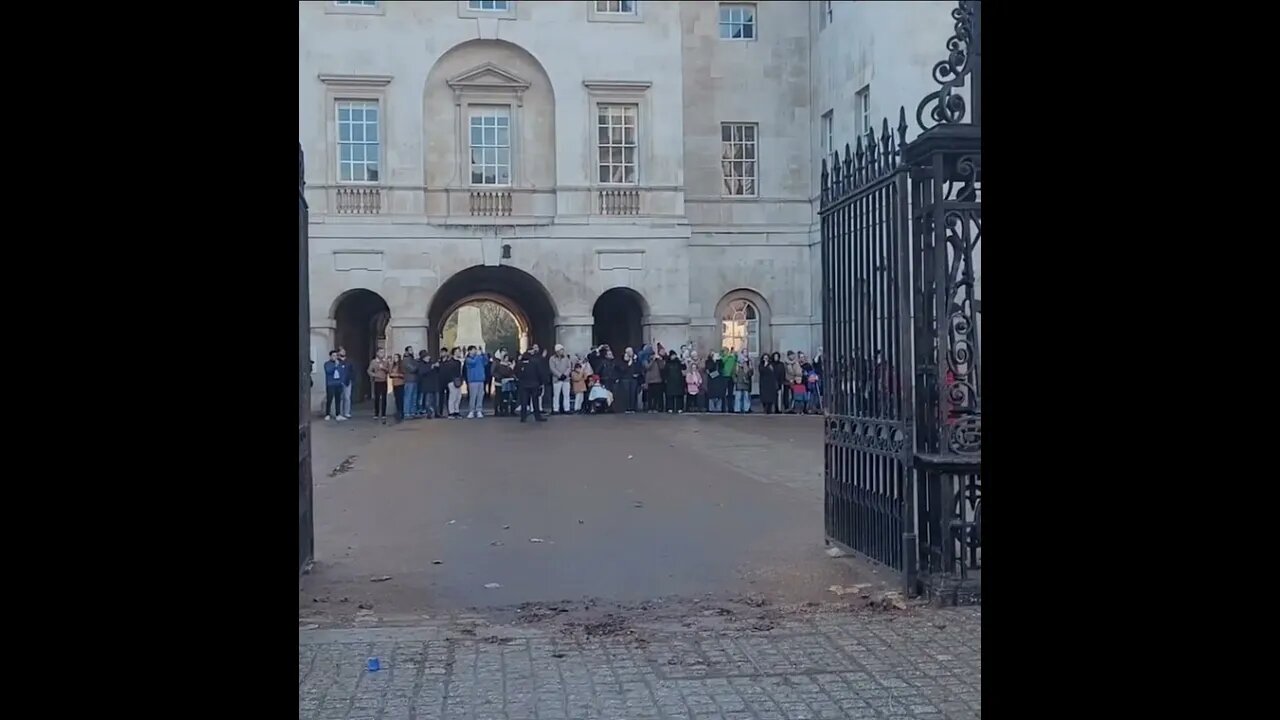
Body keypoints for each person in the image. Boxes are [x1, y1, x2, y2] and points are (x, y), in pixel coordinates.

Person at [516, 349, 548, 422]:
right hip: (534, 384)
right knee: (535, 401)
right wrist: (541, 382)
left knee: (524, 401)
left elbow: (518, 374)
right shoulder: (535, 362)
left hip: (524, 385)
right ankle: (537, 416)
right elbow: (540, 373)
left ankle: (523, 417)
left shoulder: (520, 364)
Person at [323, 350, 349, 421]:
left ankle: (338, 414)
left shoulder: (339, 363)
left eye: (336, 356)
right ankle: (327, 414)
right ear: (330, 356)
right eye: (333, 356)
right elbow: (328, 371)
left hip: (338, 383)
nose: (335, 357)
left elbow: (343, 372)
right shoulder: (327, 364)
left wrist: (342, 381)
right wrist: (335, 366)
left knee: (338, 399)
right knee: (329, 399)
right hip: (330, 383)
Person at [367, 348, 391, 422]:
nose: (382, 354)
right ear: (377, 353)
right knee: (377, 398)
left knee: (384, 398)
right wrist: (375, 375)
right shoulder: (374, 362)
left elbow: (389, 371)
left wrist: (383, 368)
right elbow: (369, 371)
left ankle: (383, 414)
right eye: (381, 352)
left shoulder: (386, 361)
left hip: (384, 381)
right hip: (377, 381)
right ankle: (376, 414)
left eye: (383, 352)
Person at [464, 345, 489, 418]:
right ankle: (471, 410)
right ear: (469, 351)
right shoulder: (468, 359)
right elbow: (473, 362)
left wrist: (483, 353)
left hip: (480, 379)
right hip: (473, 380)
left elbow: (486, 361)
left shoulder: (480, 358)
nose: (475, 351)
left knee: (480, 396)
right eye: (473, 350)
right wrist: (478, 356)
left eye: (475, 350)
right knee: (473, 396)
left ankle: (479, 410)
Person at [550, 344, 573, 415]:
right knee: (556, 395)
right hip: (557, 379)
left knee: (566, 395)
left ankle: (567, 409)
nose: (562, 351)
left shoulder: (566, 358)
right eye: (561, 350)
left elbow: (569, 367)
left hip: (566, 379)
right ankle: (556, 409)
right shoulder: (552, 359)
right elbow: (552, 368)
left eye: (562, 350)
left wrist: (565, 375)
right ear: (557, 351)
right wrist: (559, 375)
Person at [439, 349, 463, 418]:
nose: (459, 353)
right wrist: (451, 380)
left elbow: (459, 372)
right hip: (451, 381)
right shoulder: (449, 362)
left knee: (458, 397)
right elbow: (447, 372)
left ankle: (456, 411)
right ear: (454, 353)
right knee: (452, 397)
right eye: (457, 352)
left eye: (459, 351)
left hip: (458, 381)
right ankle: (451, 412)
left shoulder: (458, 362)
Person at [418, 350, 439, 419]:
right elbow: (421, 372)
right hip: (427, 385)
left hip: (434, 384)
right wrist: (431, 367)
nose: (428, 358)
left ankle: (436, 413)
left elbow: (437, 372)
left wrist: (437, 366)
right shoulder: (421, 364)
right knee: (428, 401)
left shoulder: (432, 363)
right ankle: (429, 413)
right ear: (423, 358)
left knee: (436, 400)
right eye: (426, 357)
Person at [618, 347, 640, 414]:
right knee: (627, 394)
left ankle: (633, 408)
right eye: (629, 352)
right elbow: (622, 369)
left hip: (633, 379)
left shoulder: (635, 359)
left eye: (631, 351)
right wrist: (628, 363)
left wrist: (635, 361)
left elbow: (639, 368)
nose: (630, 353)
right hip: (626, 379)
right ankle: (627, 408)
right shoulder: (622, 361)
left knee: (633, 393)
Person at [400, 346, 419, 419]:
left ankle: (413, 412)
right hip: (409, 380)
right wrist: (417, 364)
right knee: (408, 397)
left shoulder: (412, 359)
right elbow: (412, 369)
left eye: (412, 349)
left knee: (414, 397)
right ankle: (407, 413)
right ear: (406, 351)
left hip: (414, 380)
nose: (412, 351)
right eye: (410, 350)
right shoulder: (405, 360)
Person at [720, 349, 738, 414]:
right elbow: (722, 361)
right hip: (724, 376)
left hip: (731, 376)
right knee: (723, 393)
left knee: (730, 393)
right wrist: (728, 356)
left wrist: (735, 355)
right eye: (725, 351)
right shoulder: (723, 357)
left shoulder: (732, 358)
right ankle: (723, 408)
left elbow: (736, 360)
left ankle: (730, 408)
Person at [389, 353, 406, 421]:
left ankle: (401, 412)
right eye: (394, 357)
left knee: (400, 399)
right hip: (395, 384)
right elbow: (390, 374)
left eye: (396, 357)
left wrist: (396, 375)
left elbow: (403, 375)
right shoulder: (393, 365)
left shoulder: (401, 366)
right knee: (396, 399)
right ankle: (398, 411)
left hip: (400, 384)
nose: (395, 359)